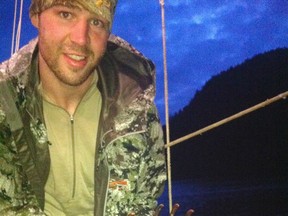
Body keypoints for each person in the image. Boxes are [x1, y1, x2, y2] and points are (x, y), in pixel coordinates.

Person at [0, 0, 167, 215]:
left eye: (97, 22)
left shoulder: (136, 107)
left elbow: (144, 201)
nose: (80, 39)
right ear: (36, 15)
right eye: (66, 14)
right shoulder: (5, 105)